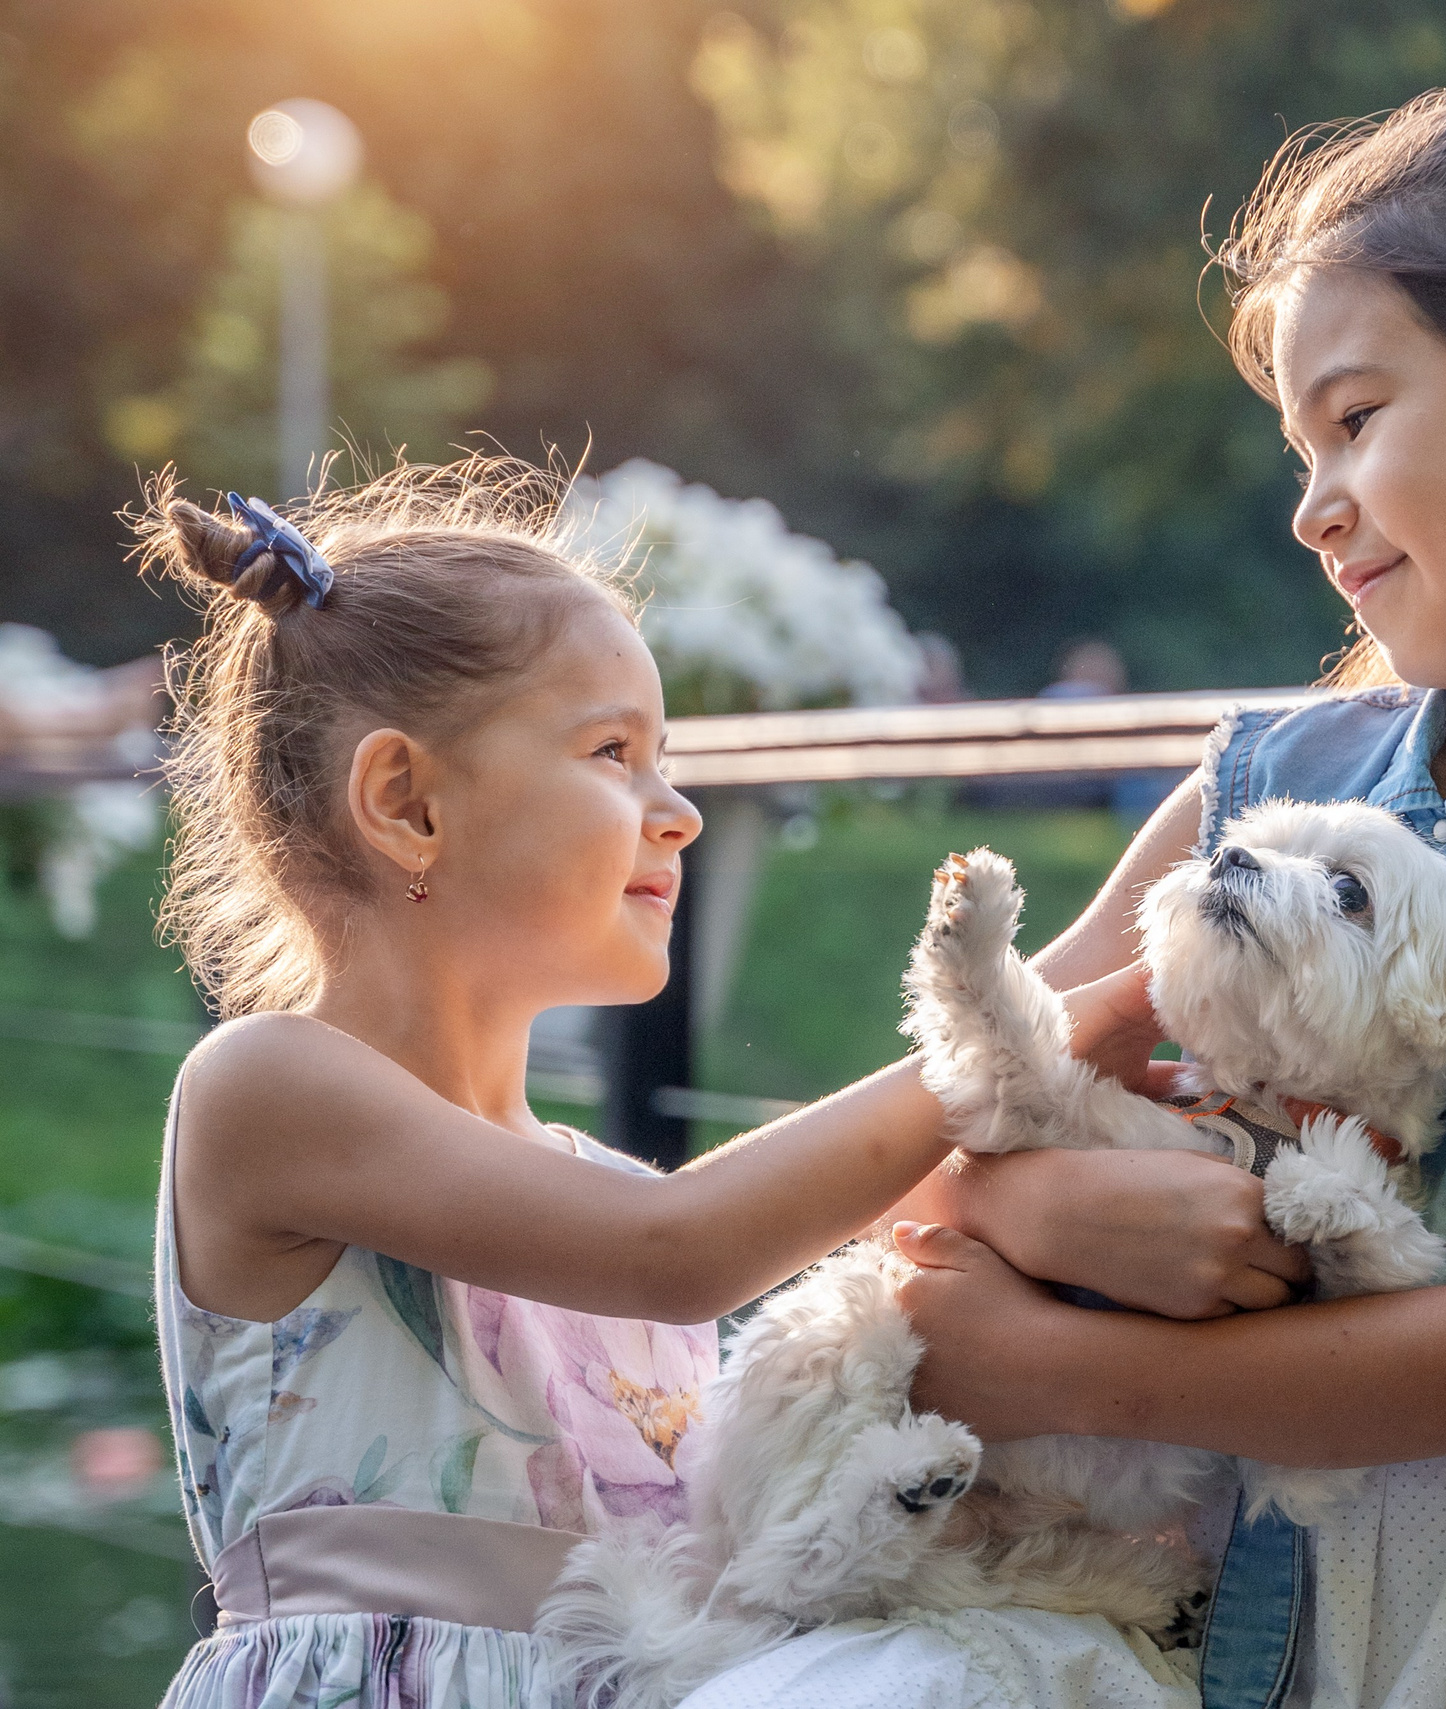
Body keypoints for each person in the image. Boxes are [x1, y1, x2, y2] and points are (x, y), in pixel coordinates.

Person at [710, 79, 1446, 1709]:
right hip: (1160, 1609)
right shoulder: (1266, 784)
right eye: (1302, 445)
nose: (1312, 504)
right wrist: (1026, 1208)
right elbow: (941, 1119)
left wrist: (1049, 1358)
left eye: (1357, 418)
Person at [131, 462, 1169, 1709]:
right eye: (613, 750)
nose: (675, 809)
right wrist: (1034, 1009)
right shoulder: (269, 1086)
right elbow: (679, 1247)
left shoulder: (612, 1186)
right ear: (405, 801)